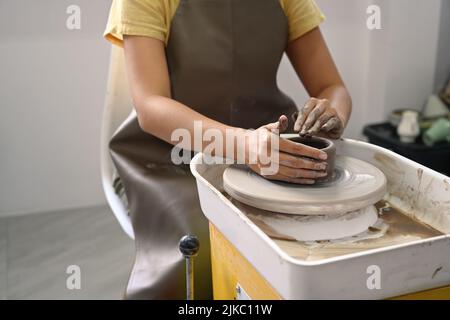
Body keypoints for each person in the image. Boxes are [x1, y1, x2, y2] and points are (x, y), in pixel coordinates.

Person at [104, 0, 351, 299]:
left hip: (267, 147)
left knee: (329, 231)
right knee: (206, 243)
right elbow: (151, 107)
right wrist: (243, 144)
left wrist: (331, 113)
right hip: (171, 156)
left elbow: (331, 86)